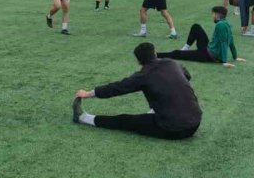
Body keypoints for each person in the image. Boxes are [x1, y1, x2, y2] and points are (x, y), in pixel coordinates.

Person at [72, 42, 202, 140]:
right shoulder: (172, 63)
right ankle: (160, 112)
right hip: (196, 122)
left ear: (139, 61)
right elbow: (187, 76)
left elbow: (117, 88)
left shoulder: (143, 75)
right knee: (160, 92)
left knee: (126, 120)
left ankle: (83, 118)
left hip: (174, 129)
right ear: (155, 53)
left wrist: (87, 93)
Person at [158, 6, 245, 68]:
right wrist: (235, 57)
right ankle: (186, 47)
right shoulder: (227, 24)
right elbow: (231, 41)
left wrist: (224, 61)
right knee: (196, 27)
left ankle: (155, 55)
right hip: (208, 49)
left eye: (213, 14)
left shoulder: (220, 25)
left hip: (208, 55)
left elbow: (224, 43)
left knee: (176, 53)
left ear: (217, 15)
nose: (212, 16)